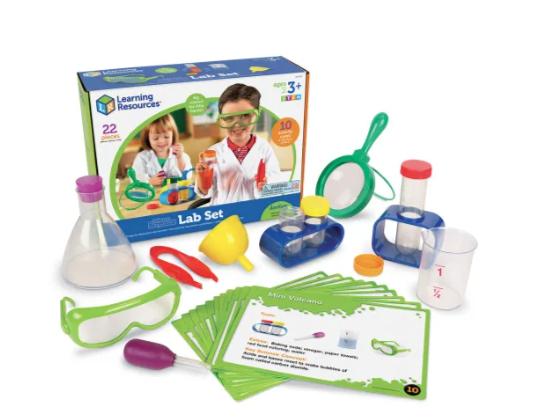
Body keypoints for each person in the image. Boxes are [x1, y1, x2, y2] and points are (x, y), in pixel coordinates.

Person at [194, 83, 281, 205]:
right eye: (229, 118)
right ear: (222, 120)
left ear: (257, 113)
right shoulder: (213, 153)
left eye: (245, 115)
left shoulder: (264, 148)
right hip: (223, 212)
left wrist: (267, 182)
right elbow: (205, 192)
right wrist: (202, 177)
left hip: (255, 209)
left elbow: (276, 179)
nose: (237, 125)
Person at [131, 114, 192, 187]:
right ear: (147, 138)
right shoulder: (142, 157)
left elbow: (187, 176)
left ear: (173, 135)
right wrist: (149, 181)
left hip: (174, 193)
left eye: (166, 137)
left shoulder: (181, 155)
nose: (162, 141)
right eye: (156, 138)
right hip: (152, 194)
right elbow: (134, 180)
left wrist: (179, 158)